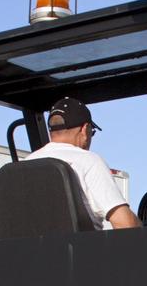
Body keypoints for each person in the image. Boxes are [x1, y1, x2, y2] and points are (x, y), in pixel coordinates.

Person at [29, 97, 141, 230]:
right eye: (92, 132)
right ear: (85, 129)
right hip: (80, 250)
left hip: (24, 250)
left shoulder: (26, 162)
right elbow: (125, 225)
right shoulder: (88, 161)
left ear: (51, 131)